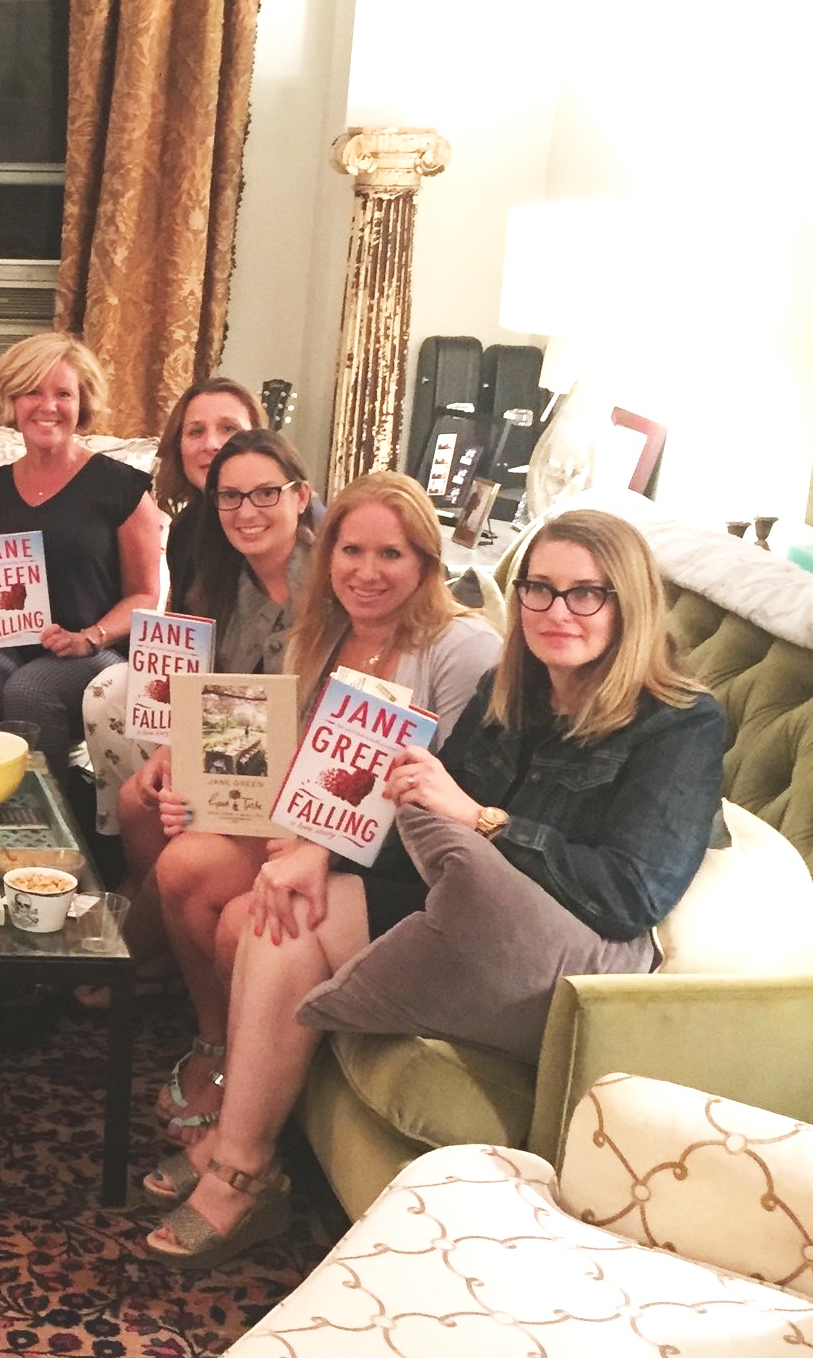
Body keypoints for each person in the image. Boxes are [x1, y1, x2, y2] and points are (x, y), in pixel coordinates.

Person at [141, 508, 726, 1267]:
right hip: (472, 906)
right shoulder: (510, 689)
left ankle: (238, 1159)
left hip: (567, 950)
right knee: (278, 910)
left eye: (587, 593)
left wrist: (483, 818)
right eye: (539, 590)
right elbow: (421, 825)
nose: (556, 611)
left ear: (630, 602)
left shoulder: (681, 723)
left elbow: (628, 892)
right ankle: (245, 1163)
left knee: (292, 906)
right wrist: (324, 851)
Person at [145, 471, 501, 1143]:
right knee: (181, 866)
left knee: (240, 924)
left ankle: (253, 1106)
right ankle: (216, 1046)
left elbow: (450, 788)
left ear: (426, 561)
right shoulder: (323, 630)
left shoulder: (463, 647)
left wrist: (321, 848)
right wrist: (202, 786)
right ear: (327, 553)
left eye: (391, 554)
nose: (367, 572)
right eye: (351, 551)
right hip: (307, 822)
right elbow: (283, 754)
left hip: (392, 855)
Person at [0, 332, 163, 789]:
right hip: (5, 645)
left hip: (93, 651)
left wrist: (89, 637)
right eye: (32, 392)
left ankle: (50, 833)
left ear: (82, 404)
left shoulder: (122, 488)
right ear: (12, 401)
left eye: (63, 393)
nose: (47, 406)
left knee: (31, 690)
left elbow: (145, 594)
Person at [83, 379, 268, 836]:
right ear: (178, 446)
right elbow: (184, 626)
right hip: (205, 679)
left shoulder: (271, 523)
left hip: (257, 696)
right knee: (106, 693)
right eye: (195, 432)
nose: (212, 445)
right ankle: (121, 835)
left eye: (229, 429)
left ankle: (181, 818)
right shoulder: (187, 529)